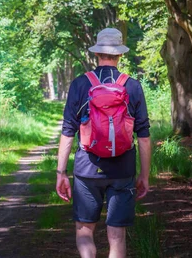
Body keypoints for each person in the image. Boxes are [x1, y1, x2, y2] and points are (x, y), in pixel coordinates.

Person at [56, 28, 151, 258]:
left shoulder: (80, 85)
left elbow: (68, 132)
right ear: (119, 55)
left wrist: (61, 172)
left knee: (85, 230)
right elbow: (144, 137)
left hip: (87, 170)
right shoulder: (133, 86)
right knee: (117, 237)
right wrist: (144, 175)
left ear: (96, 54)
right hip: (122, 169)